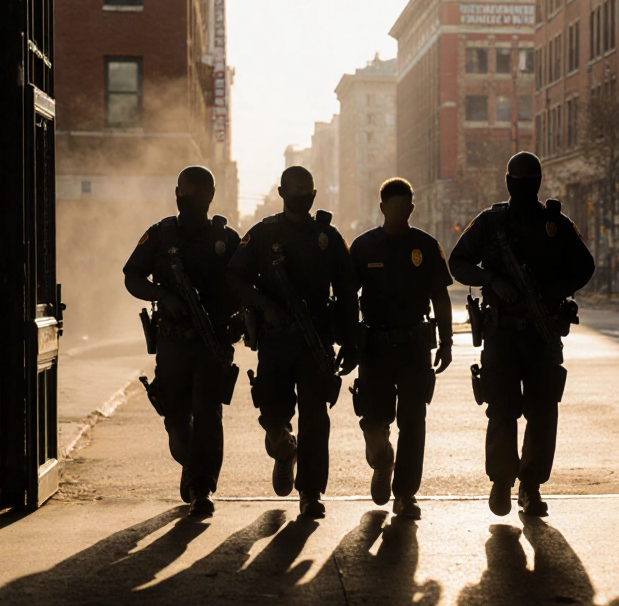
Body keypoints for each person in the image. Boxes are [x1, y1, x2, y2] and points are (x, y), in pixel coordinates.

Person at [448, 151, 595, 517]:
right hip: (502, 333)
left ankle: (529, 487)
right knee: (501, 409)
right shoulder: (490, 223)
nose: (525, 187)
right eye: (521, 180)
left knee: (543, 411)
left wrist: (552, 290)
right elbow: (458, 263)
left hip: (542, 334)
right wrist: (492, 279)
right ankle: (501, 482)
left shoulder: (555, 223)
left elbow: (585, 266)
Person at [227, 166, 360, 518]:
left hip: (316, 340)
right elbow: (234, 278)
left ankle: (311, 492)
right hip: (275, 340)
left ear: (314, 195)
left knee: (315, 417)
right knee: (273, 415)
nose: (302, 195)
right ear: (282, 193)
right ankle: (284, 452)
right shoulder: (261, 234)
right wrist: (265, 305)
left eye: (307, 190)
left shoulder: (327, 237)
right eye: (295, 189)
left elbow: (347, 291)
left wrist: (350, 339)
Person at [122, 165, 242, 516]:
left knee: (207, 413)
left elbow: (244, 283)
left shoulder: (226, 240)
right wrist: (163, 295)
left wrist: (234, 318)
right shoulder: (161, 235)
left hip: (211, 342)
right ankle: (193, 469)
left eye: (188, 191)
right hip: (173, 342)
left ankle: (202, 486)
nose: (181, 197)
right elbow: (132, 276)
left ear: (208, 195)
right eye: (178, 190)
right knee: (175, 417)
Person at [348, 178, 454, 520]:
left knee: (413, 422)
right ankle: (382, 462)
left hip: (414, 348)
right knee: (375, 420)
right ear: (382, 208)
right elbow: (348, 298)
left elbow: (440, 296)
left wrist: (448, 341)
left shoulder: (426, 246)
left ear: (411, 207)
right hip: (375, 349)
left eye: (404, 206)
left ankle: (405, 494)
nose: (398, 212)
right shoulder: (364, 248)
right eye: (392, 207)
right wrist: (348, 340)